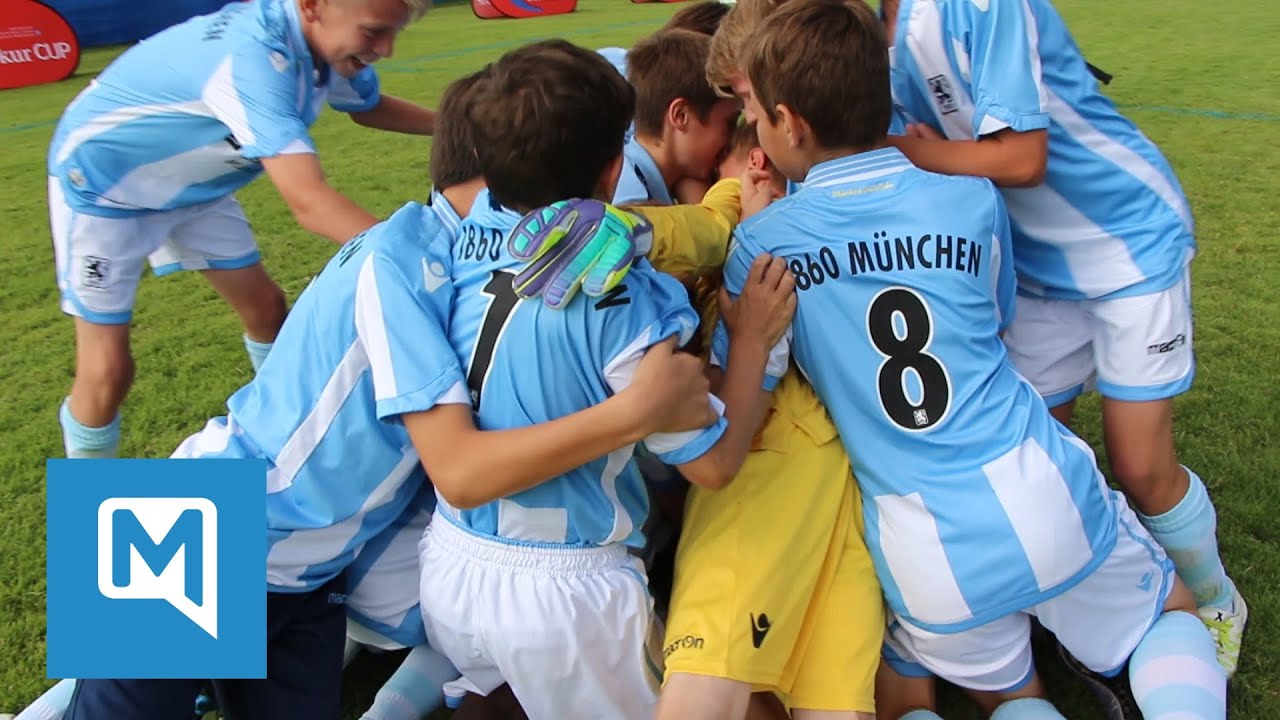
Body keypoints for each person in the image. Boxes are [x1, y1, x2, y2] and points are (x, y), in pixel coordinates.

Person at [60, 53, 719, 720]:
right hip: (205, 526)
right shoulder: (402, 262)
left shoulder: (481, 246)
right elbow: (458, 467)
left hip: (310, 569)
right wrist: (638, 410)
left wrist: (628, 227)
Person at [718, 1, 1227, 719]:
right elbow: (995, 317)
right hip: (1041, 488)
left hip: (923, 545)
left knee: (1010, 693)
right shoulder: (970, 201)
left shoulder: (762, 247)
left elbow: (744, 402)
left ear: (789, 123)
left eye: (758, 116)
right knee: (1169, 616)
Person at [412, 39, 795, 720]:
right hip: (568, 591)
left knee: (498, 696)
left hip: (450, 562)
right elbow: (714, 462)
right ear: (616, 165)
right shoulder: (624, 300)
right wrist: (754, 341)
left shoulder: (455, 243)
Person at [880, 0, 1245, 675]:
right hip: (1037, 270)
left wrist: (906, 151)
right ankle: (1100, 603)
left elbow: (1021, 158)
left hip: (1127, 244)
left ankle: (1216, 602)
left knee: (1139, 466)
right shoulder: (882, 31)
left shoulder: (978, 5)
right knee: (1045, 464)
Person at [49, 0, 437, 461]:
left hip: (198, 186)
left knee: (267, 308)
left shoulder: (328, 42)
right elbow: (310, 203)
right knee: (108, 368)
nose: (387, 49)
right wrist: (424, 261)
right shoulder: (253, 57)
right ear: (312, 6)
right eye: (375, 32)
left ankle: (281, 440)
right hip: (105, 191)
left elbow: (367, 107)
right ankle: (90, 506)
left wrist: (467, 131)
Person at [614, 28, 741, 206]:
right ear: (680, 115)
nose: (734, 138)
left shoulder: (638, 175)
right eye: (730, 123)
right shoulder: (635, 205)